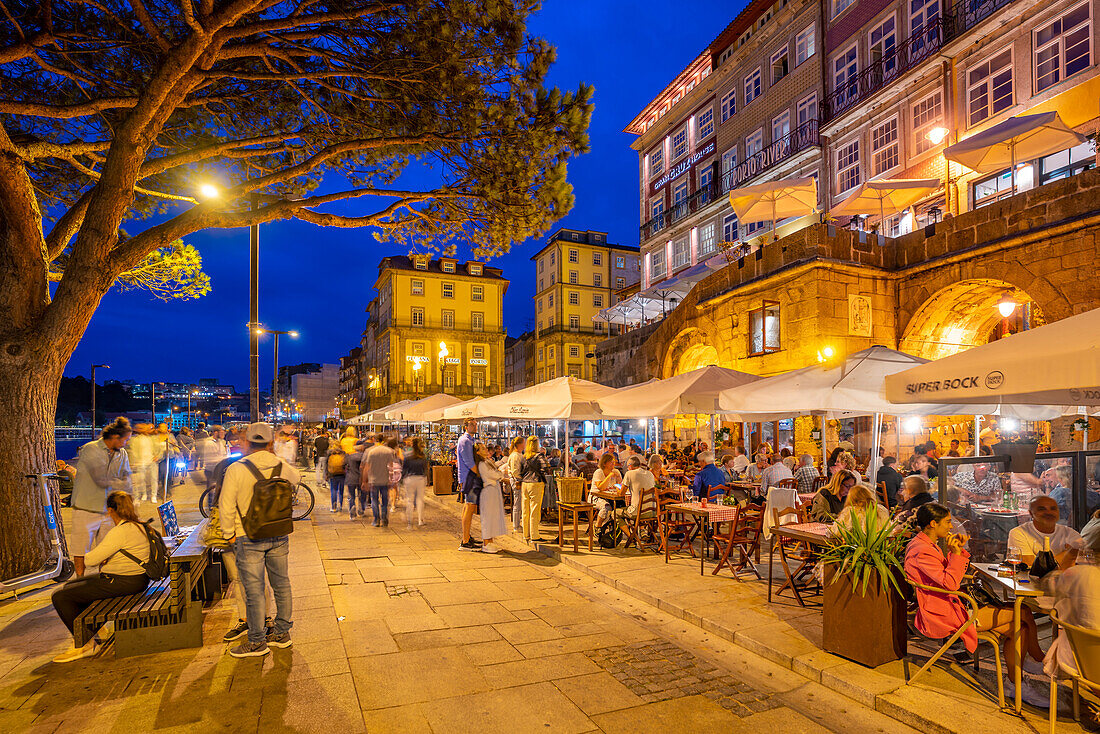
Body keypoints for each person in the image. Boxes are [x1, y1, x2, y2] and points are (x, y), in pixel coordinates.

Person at [905, 502, 1048, 706]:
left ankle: (1018, 678)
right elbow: (949, 583)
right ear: (932, 524)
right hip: (943, 613)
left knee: (1021, 627)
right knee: (1022, 611)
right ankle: (1036, 662)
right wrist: (955, 553)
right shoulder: (922, 550)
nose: (951, 527)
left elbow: (942, 576)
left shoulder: (925, 544)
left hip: (950, 605)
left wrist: (958, 550)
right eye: (947, 522)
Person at [219, 422, 300, 658]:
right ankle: (282, 633)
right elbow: (295, 481)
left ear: (248, 442)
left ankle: (256, 641)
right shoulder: (281, 465)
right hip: (278, 533)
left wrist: (229, 534)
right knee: (281, 584)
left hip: (247, 535)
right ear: (270, 442)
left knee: (253, 591)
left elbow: (226, 505)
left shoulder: (237, 468)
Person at [51, 491, 150, 662]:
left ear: (110, 510)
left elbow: (90, 560)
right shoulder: (139, 525)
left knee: (61, 597)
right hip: (137, 579)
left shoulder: (120, 531)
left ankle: (87, 644)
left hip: (124, 581)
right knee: (72, 587)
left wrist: (95, 554)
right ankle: (94, 630)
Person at [205, 431, 275, 644]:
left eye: (242, 441)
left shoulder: (258, 466)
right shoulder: (227, 465)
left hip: (250, 532)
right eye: (236, 441)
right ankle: (246, 618)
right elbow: (219, 500)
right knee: (239, 579)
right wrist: (228, 533)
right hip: (232, 533)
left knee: (256, 579)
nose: (239, 444)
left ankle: (264, 619)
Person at [70, 417, 133, 578]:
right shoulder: (91, 449)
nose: (126, 443)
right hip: (86, 507)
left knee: (107, 547)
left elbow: (127, 477)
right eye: (125, 440)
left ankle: (103, 577)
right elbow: (101, 479)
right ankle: (80, 579)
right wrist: (120, 483)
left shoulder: (122, 453)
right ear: (114, 438)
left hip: (109, 510)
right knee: (81, 547)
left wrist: (130, 498)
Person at [1007, 496, 1084, 571]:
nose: (1048, 512)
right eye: (1042, 509)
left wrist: (1042, 562)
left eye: (1053, 509)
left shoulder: (1071, 533)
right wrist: (1068, 553)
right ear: (1031, 513)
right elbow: (1030, 566)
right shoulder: (1019, 533)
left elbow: (1081, 562)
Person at [475, 443, 506, 553]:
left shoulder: (486, 461)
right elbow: (492, 475)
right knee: (488, 518)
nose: (486, 450)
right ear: (478, 452)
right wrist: (500, 474)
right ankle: (486, 543)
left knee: (492, 517)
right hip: (488, 491)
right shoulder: (482, 463)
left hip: (493, 490)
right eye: (483, 448)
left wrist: (498, 475)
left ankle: (490, 541)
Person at [519, 435, 551, 544]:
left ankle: (526, 534)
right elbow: (545, 467)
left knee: (525, 510)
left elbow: (521, 471)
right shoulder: (539, 456)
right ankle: (535, 535)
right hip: (535, 483)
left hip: (525, 483)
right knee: (535, 510)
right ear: (537, 444)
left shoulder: (524, 456)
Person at [456, 419, 481, 550]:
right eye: (472, 424)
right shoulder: (465, 441)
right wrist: (479, 475)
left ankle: (467, 537)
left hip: (468, 477)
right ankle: (465, 541)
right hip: (469, 477)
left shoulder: (469, 440)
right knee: (470, 507)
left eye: (476, 424)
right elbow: (469, 462)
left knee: (468, 507)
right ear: (465, 426)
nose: (475, 426)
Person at [363, 433, 394, 527]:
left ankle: (376, 520)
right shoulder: (388, 451)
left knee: (374, 501)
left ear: (375, 440)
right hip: (384, 479)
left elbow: (367, 467)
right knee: (385, 500)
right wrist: (391, 479)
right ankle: (384, 518)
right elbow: (391, 466)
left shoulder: (371, 452)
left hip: (373, 480)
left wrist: (364, 481)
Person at [126, 422, 156, 504]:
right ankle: (140, 496)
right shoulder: (133, 439)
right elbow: (130, 450)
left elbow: (155, 449)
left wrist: (156, 456)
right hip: (139, 463)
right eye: (140, 428)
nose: (143, 430)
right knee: (139, 482)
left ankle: (153, 495)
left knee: (152, 479)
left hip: (150, 461)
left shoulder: (151, 438)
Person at [402, 438, 428, 528]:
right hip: (420, 478)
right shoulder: (423, 456)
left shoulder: (408, 456)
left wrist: (403, 478)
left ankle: (410, 522)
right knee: (420, 500)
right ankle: (420, 520)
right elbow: (425, 469)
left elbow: (404, 469)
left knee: (410, 500)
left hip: (410, 479)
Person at [590, 453, 623, 524]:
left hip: (610, 498)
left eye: (614, 462)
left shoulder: (616, 471)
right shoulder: (599, 472)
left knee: (621, 506)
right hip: (595, 497)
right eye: (611, 462)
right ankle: (597, 527)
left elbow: (621, 487)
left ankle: (614, 528)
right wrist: (609, 476)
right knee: (606, 507)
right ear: (604, 463)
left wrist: (618, 479)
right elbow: (601, 488)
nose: (613, 464)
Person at [506, 436, 525, 534]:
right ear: (519, 444)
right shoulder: (515, 456)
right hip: (517, 481)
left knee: (518, 503)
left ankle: (517, 524)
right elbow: (515, 471)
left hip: (516, 480)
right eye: (524, 443)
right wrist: (520, 479)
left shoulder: (517, 455)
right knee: (517, 503)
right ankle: (516, 526)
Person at [344, 440, 366, 520]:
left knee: (351, 495)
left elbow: (344, 466)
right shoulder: (364, 456)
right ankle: (361, 509)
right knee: (362, 495)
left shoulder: (349, 456)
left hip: (351, 478)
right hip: (361, 478)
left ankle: (352, 510)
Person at [325, 443, 347, 513]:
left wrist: (326, 474)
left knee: (333, 490)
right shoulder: (343, 453)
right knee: (341, 490)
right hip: (342, 473)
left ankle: (334, 507)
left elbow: (326, 464)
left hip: (332, 474)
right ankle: (340, 505)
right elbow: (346, 463)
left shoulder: (330, 453)